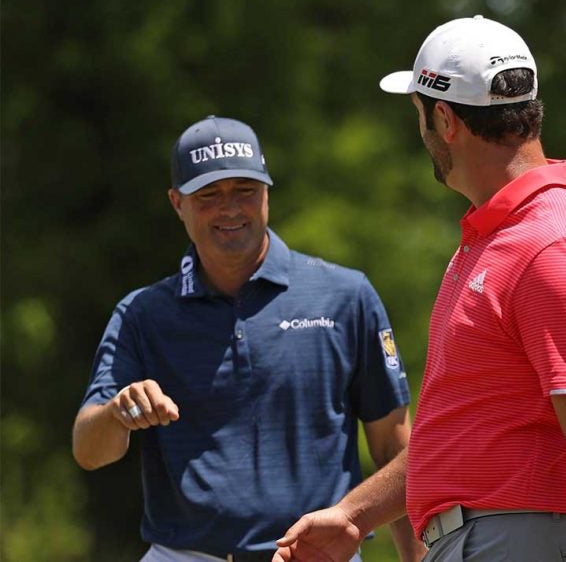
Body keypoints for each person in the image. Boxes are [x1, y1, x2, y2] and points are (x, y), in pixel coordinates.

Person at [275, 15, 566, 562]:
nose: (419, 133)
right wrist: (355, 513)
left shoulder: (551, 246)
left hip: (516, 542)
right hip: (482, 541)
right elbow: (462, 436)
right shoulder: (493, 240)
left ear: (444, 119)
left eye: (418, 115)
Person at [72, 116, 424, 562]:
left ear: (267, 193)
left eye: (245, 190)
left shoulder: (345, 296)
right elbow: (89, 450)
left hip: (316, 555)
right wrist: (118, 413)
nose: (231, 209)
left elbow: (396, 451)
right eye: (209, 195)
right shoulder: (143, 313)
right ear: (176, 202)